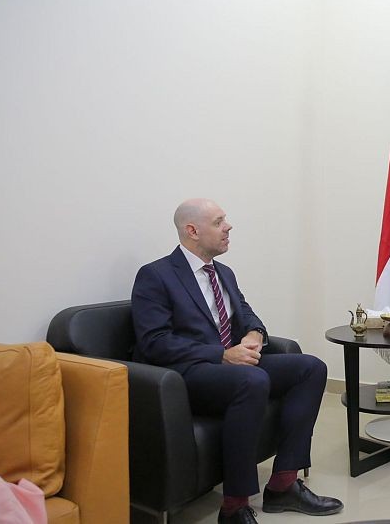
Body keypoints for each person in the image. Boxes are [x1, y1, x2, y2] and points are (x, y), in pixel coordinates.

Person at [131, 199, 343, 524]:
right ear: (192, 231)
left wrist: (255, 334)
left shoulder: (223, 273)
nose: (228, 227)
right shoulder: (156, 275)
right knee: (253, 379)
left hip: (231, 367)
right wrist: (220, 354)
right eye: (218, 222)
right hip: (187, 374)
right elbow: (154, 342)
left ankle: (283, 484)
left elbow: (245, 313)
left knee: (310, 368)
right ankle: (234, 506)